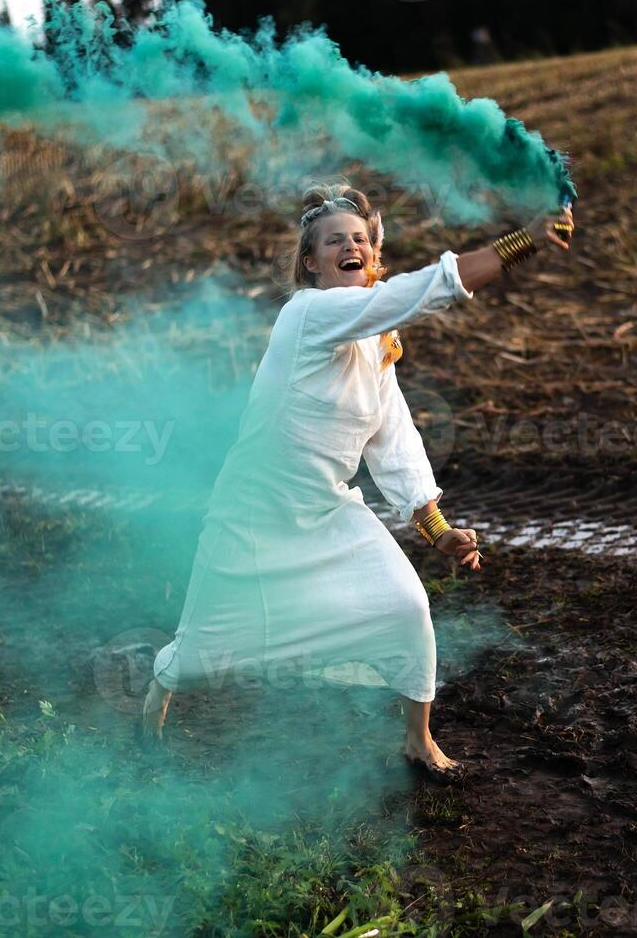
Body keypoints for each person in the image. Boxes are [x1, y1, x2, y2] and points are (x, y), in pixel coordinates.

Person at [142, 183, 574, 785]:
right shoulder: (308, 314)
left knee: (406, 603)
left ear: (373, 256)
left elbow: (393, 438)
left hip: (327, 509)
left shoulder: (374, 343)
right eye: (334, 240)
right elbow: (413, 295)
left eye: (362, 239)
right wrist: (522, 241)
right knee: (208, 649)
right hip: (254, 510)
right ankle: (160, 688)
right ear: (311, 263)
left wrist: (435, 525)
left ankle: (418, 741)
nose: (352, 246)